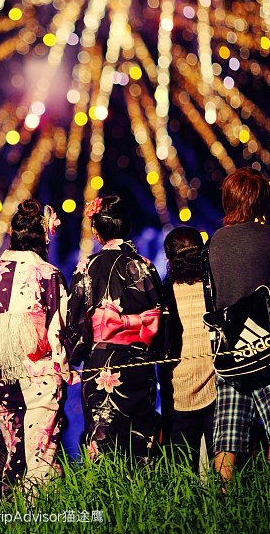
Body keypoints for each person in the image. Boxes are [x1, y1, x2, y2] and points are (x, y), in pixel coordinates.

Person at [0, 199, 71, 489]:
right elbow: (58, 329)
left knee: (13, 455)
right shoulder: (49, 275)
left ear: (12, 233)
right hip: (41, 377)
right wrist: (63, 368)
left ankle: (14, 512)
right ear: (43, 236)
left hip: (1, 378)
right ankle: (42, 512)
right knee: (41, 455)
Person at [208, 167, 270, 481]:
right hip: (266, 346)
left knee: (228, 434)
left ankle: (222, 499)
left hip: (228, 348)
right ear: (260, 201)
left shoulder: (215, 241)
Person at [66, 195, 164, 462]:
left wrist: (78, 352)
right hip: (139, 363)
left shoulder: (87, 267)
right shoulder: (145, 266)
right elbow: (161, 314)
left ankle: (104, 486)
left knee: (103, 439)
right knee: (139, 439)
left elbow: (74, 320)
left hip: (102, 362)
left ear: (96, 231)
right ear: (126, 226)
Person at [160, 227, 216, 472]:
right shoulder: (214, 287)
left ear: (169, 257)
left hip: (179, 388)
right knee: (223, 468)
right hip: (216, 383)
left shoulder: (165, 293)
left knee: (181, 470)